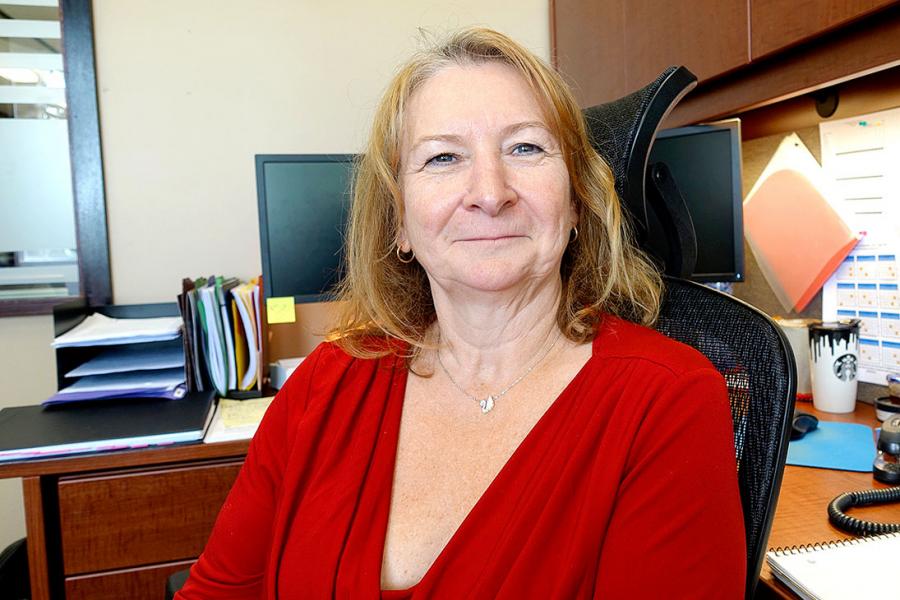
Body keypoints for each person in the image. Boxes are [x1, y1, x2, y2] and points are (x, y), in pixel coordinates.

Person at [177, 27, 745, 599]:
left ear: (576, 202)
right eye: (443, 157)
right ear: (399, 220)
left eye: (525, 147)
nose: (489, 192)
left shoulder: (669, 400)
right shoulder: (323, 385)